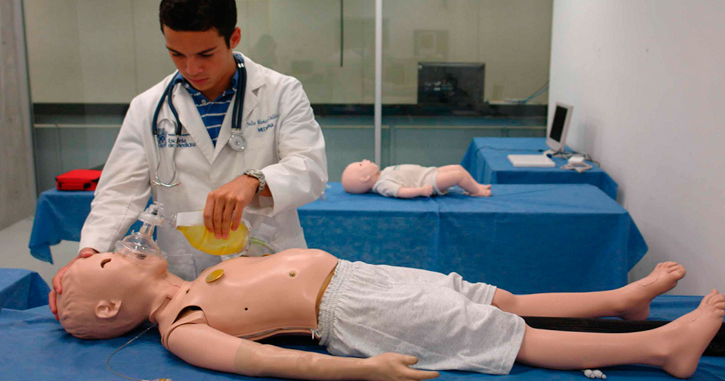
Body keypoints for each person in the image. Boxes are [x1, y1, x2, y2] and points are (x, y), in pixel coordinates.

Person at [47, 0, 329, 318]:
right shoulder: (148, 107)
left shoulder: (281, 92)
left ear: (233, 38)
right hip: (184, 275)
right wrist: (90, 255)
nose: (191, 68)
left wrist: (255, 180)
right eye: (176, 54)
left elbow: (310, 167)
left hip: (268, 261)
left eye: (205, 54)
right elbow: (119, 193)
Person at [57, 248, 724, 380]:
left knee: (493, 298)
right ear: (112, 306)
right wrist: (360, 371)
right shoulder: (183, 327)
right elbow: (266, 359)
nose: (103, 248)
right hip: (356, 314)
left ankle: (618, 302)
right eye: (101, 263)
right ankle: (661, 348)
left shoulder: (201, 273)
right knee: (507, 336)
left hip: (360, 278)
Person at [342, 160, 491, 198]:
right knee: (458, 176)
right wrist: (420, 190)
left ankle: (477, 186)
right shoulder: (383, 184)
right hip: (429, 181)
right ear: (365, 178)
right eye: (361, 164)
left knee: (457, 168)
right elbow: (401, 191)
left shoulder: (383, 173)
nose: (365, 160)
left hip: (428, 172)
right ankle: (477, 191)